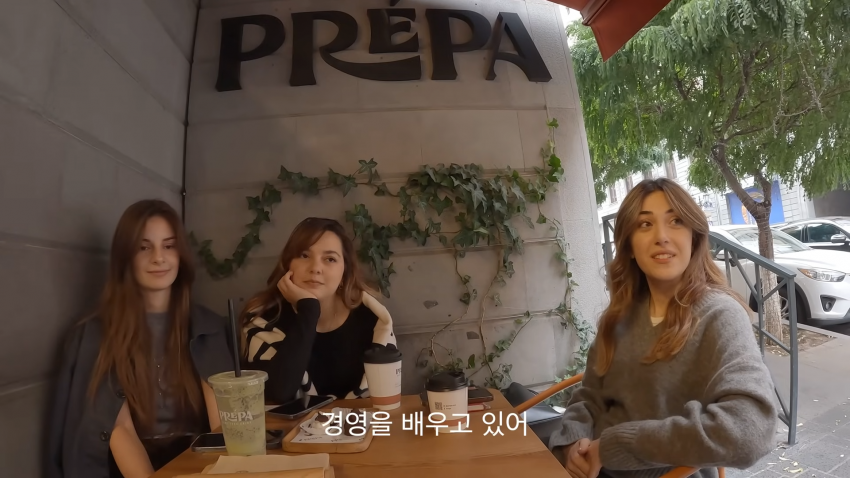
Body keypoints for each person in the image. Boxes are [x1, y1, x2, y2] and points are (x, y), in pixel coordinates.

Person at [550, 179, 778, 478]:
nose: (661, 236)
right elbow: (589, 396)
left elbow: (751, 429)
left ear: (694, 237)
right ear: (629, 246)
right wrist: (572, 442)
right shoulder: (620, 316)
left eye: (676, 221)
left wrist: (614, 447)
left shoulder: (720, 315)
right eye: (645, 224)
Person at [47, 200, 233, 478]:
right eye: (144, 247)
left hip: (199, 462)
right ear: (125, 256)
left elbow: (224, 424)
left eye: (169, 246)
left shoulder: (210, 327)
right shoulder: (94, 335)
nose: (158, 258)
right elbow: (119, 429)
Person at [241, 217, 396, 404]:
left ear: (344, 272)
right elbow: (276, 394)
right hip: (290, 424)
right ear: (288, 264)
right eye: (304, 255)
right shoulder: (263, 319)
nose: (315, 268)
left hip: (364, 420)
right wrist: (309, 310)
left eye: (330, 259)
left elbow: (388, 397)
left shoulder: (373, 318)